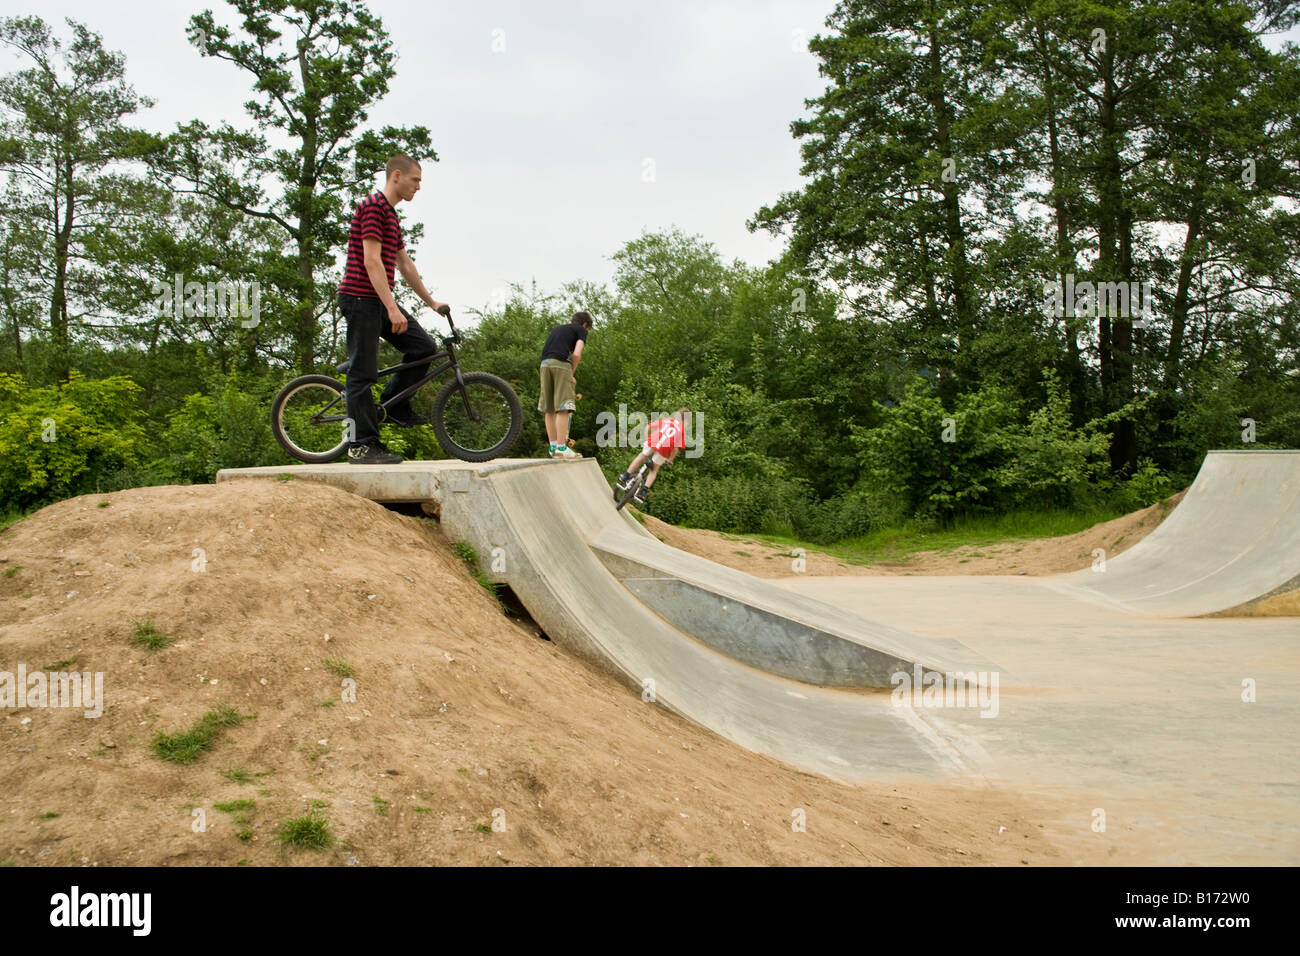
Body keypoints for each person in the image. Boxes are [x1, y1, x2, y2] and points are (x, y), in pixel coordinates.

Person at [338, 154, 452, 465]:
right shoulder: (374, 207)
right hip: (361, 298)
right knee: (362, 374)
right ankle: (361, 446)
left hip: (377, 300)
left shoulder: (391, 215)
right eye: (415, 180)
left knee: (423, 347)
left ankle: (392, 406)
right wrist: (392, 307)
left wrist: (431, 302)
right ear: (396, 176)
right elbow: (371, 261)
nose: (418, 187)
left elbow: (405, 264)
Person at [538, 311, 592, 459]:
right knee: (564, 407)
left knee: (549, 409)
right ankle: (562, 447)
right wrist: (571, 374)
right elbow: (577, 353)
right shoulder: (581, 329)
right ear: (585, 324)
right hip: (561, 365)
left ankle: (553, 447)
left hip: (544, 364)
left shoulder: (558, 329)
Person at [616, 408, 690, 505]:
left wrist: (646, 439)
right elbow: (676, 449)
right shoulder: (681, 431)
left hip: (654, 440)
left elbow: (648, 427)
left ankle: (626, 475)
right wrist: (670, 460)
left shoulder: (667, 420)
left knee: (642, 456)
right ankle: (644, 492)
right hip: (665, 448)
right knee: (654, 469)